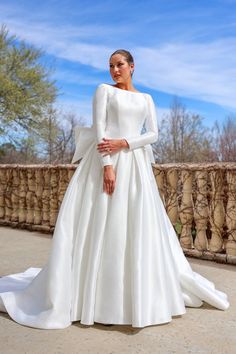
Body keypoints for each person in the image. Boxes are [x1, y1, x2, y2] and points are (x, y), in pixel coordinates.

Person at [0, 49, 230, 329]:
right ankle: (94, 297)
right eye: (110, 65)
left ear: (132, 67)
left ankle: (132, 296)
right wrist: (107, 165)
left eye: (119, 64)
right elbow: (99, 130)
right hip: (104, 165)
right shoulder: (103, 91)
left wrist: (125, 143)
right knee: (103, 223)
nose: (114, 70)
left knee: (133, 225)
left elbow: (154, 134)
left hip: (136, 167)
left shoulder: (146, 98)